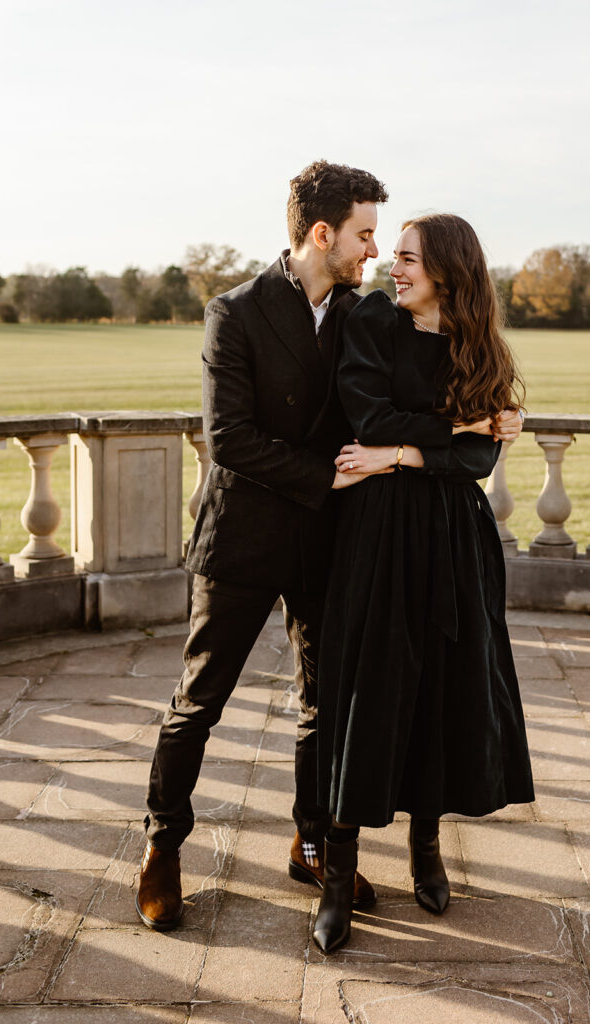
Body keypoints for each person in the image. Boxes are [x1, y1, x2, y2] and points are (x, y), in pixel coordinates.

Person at [136, 160, 391, 930]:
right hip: (243, 536)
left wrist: (486, 416)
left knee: (322, 702)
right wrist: (327, 477)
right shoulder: (235, 313)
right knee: (198, 702)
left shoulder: (359, 313)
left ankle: (309, 843)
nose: (372, 251)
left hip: (323, 540)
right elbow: (228, 440)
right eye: (364, 234)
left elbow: (416, 378)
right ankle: (161, 848)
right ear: (323, 233)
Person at [312, 213, 535, 953]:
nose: (391, 267)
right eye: (393, 255)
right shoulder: (371, 319)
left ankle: (426, 851)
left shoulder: (482, 346)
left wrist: (402, 454)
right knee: (364, 691)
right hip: (375, 537)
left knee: (438, 688)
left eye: (406, 259)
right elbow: (368, 416)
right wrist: (460, 426)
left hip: (452, 543)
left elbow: (478, 464)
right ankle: (337, 882)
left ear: (446, 268)